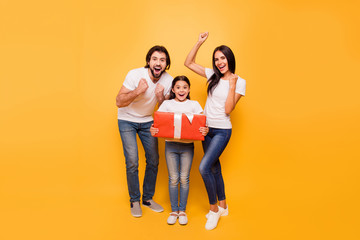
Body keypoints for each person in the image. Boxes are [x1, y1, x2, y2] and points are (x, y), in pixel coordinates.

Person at [184, 32, 246, 230]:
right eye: (216, 59)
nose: (220, 62)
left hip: (222, 131)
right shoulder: (212, 75)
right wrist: (199, 42)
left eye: (223, 58)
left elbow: (228, 109)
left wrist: (232, 85)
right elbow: (188, 63)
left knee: (204, 167)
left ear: (229, 59)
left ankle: (214, 211)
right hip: (206, 129)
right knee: (214, 168)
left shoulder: (239, 81)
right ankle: (223, 206)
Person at [116, 45, 173, 217]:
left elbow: (165, 110)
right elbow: (119, 101)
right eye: (154, 59)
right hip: (127, 119)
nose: (158, 63)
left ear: (166, 64)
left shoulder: (168, 81)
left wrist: (161, 97)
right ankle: (134, 200)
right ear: (149, 62)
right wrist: (138, 91)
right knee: (132, 160)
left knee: (154, 160)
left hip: (148, 120)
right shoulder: (135, 74)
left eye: (162, 60)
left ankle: (147, 198)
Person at [150, 76, 209, 225]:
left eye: (184, 87)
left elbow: (202, 123)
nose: (181, 90)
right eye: (178, 87)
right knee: (173, 179)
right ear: (173, 90)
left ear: (189, 89)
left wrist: (205, 129)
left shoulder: (194, 104)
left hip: (187, 146)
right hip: (170, 146)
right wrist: (153, 129)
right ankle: (174, 211)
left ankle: (182, 211)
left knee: (184, 179)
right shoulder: (167, 104)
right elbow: (158, 123)